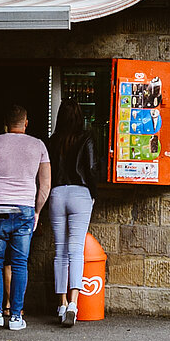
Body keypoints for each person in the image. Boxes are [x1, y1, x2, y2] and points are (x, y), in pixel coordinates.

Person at [0, 103, 51, 332]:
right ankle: (16, 317)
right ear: (26, 122)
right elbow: (45, 184)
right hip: (24, 210)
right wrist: (36, 211)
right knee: (19, 264)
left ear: (6, 124)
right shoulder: (38, 145)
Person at [47, 108, 99, 325]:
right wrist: (93, 195)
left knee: (60, 250)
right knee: (76, 250)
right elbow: (92, 169)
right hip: (80, 193)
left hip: (57, 193)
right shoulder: (86, 138)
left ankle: (61, 303)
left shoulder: (52, 141)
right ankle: (74, 304)